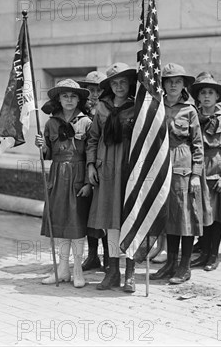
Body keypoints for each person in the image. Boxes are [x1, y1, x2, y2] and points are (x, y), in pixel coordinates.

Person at [35, 79, 93, 287]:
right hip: (58, 176)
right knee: (60, 224)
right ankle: (62, 270)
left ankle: (78, 270)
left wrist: (88, 182)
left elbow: (90, 155)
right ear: (58, 99)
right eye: (65, 96)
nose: (69, 100)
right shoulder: (51, 123)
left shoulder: (86, 122)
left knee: (76, 224)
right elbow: (48, 154)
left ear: (79, 99)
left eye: (73, 96)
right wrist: (42, 147)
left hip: (78, 175)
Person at [150, 63, 205, 285]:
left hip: (183, 167)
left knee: (185, 218)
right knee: (169, 218)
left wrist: (195, 175)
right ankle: (170, 263)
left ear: (183, 85)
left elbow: (198, 145)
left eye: (178, 81)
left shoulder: (189, 110)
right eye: (169, 81)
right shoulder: (156, 107)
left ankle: (184, 266)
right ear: (162, 84)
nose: (173, 85)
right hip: (162, 167)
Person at [86, 62, 137, 292]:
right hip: (106, 170)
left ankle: (131, 272)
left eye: (123, 82)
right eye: (114, 83)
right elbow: (93, 138)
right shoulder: (102, 108)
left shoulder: (137, 108)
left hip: (129, 169)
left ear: (129, 84)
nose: (119, 86)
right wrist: (91, 165)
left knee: (131, 218)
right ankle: (113, 270)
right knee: (111, 221)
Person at [189, 72, 221, 271]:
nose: (207, 96)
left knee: (215, 216)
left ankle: (213, 256)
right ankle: (204, 252)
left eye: (211, 93)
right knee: (201, 214)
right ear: (198, 97)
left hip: (215, 171)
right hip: (197, 170)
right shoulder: (192, 115)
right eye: (203, 93)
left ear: (217, 97)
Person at [76, 71, 111, 272]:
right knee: (88, 216)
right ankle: (92, 256)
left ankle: (108, 257)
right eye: (90, 90)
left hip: (102, 169)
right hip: (82, 168)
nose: (94, 93)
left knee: (103, 214)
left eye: (98, 89)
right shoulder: (80, 114)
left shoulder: (107, 111)